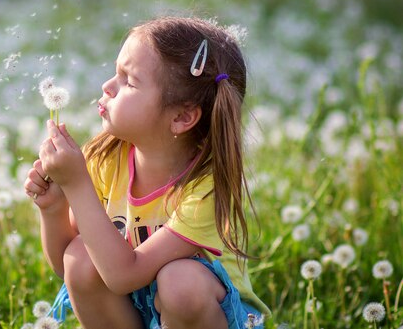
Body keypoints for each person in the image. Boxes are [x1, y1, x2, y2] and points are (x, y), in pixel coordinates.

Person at [24, 16, 271, 329]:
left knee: (179, 283)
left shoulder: (205, 187)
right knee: (83, 255)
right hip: (133, 306)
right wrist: (54, 207)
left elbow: (124, 274)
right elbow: (68, 266)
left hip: (210, 314)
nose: (107, 87)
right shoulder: (106, 160)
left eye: (129, 81)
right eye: (116, 73)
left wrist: (76, 185)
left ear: (182, 117)